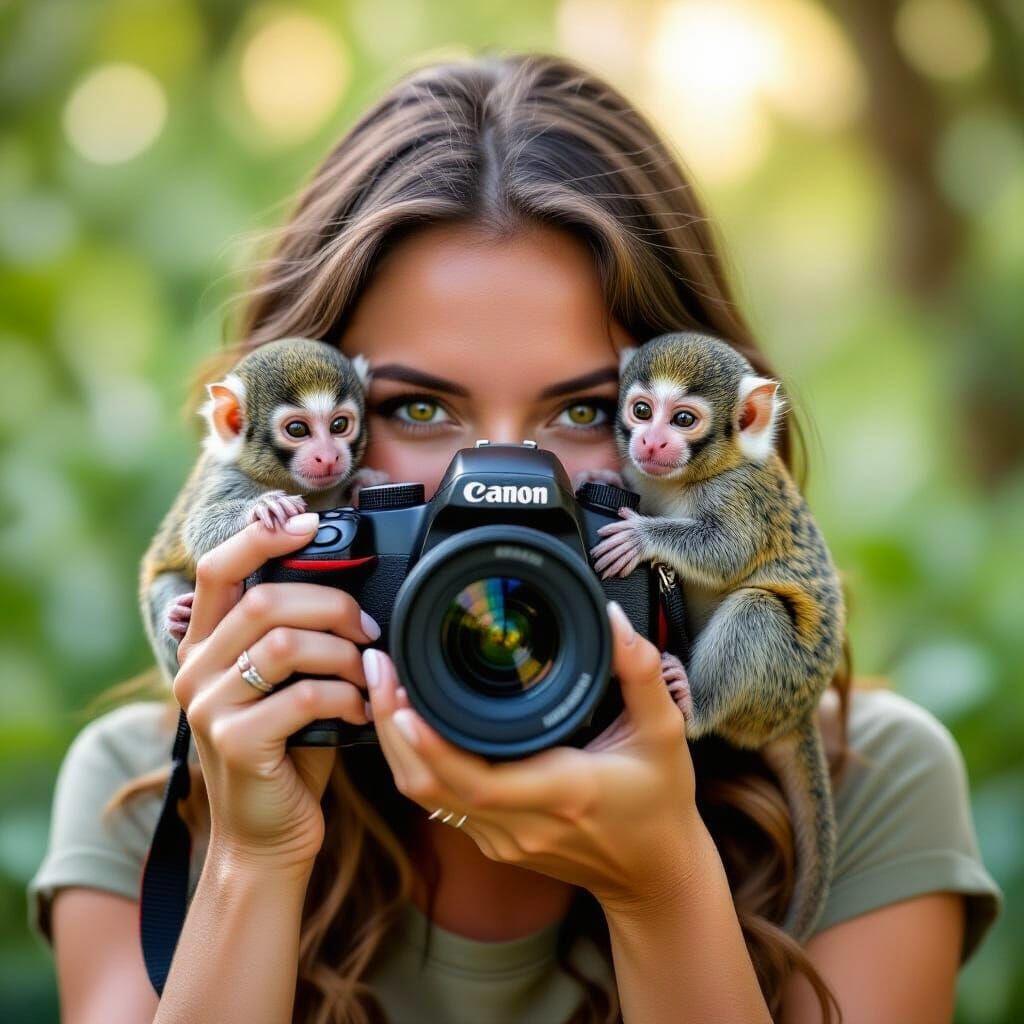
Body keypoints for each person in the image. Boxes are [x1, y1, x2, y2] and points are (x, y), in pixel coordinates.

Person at [28, 54, 1001, 1024]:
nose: (500, 486)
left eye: (582, 411)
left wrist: (661, 886)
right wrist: (252, 858)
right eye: (416, 405)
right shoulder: (144, 783)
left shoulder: (865, 781)